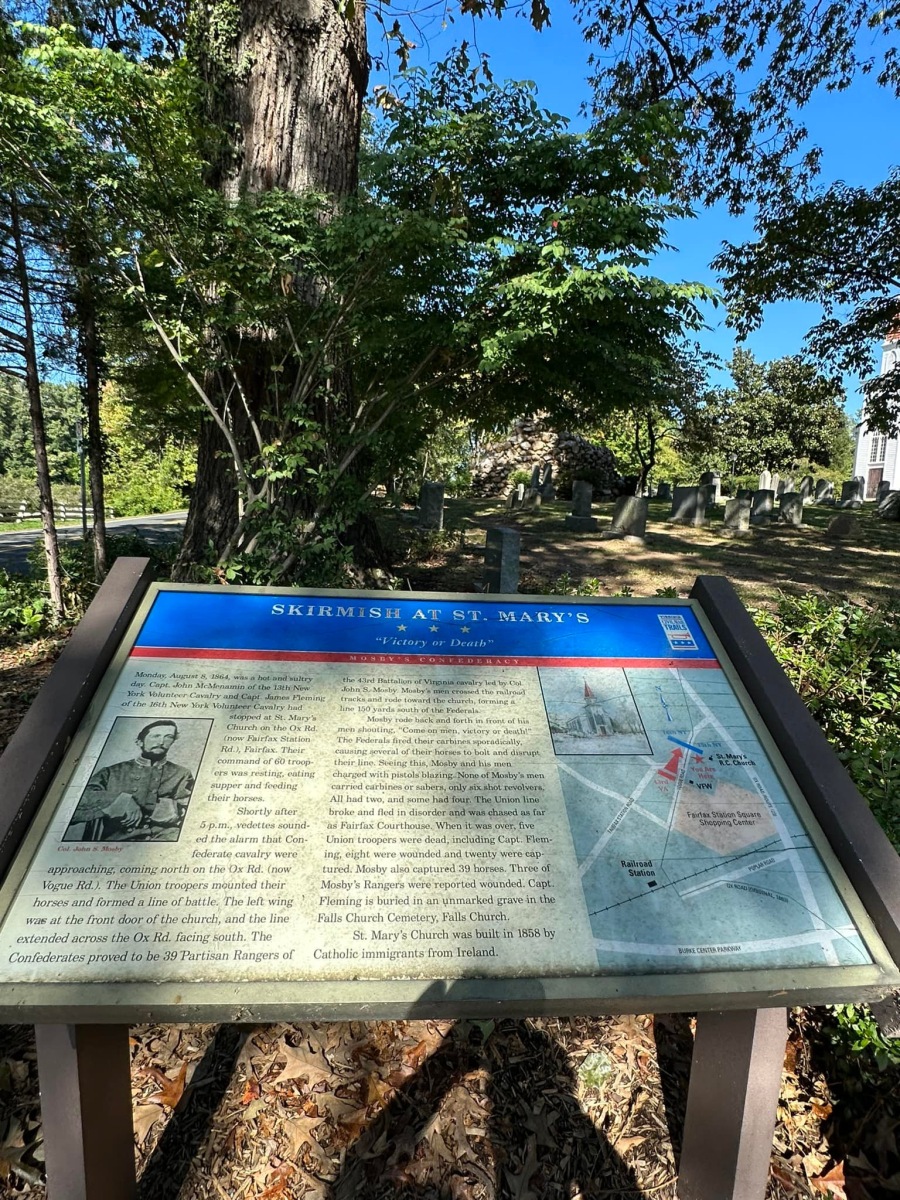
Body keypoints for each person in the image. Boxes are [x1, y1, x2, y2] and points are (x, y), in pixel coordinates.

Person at [66, 720, 194, 842]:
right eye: (155, 736)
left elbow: (193, 810)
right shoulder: (111, 772)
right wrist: (123, 800)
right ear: (139, 742)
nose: (161, 742)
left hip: (166, 838)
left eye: (168, 737)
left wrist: (176, 808)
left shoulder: (182, 773)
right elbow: (77, 800)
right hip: (118, 840)